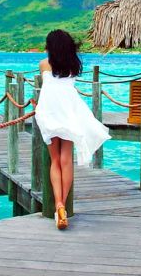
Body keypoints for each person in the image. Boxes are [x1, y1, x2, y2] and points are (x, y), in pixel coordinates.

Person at [35, 29, 110, 230]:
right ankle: (63, 205)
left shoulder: (44, 65)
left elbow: (48, 83)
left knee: (55, 161)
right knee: (66, 160)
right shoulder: (73, 66)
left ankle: (57, 204)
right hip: (68, 113)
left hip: (49, 114)